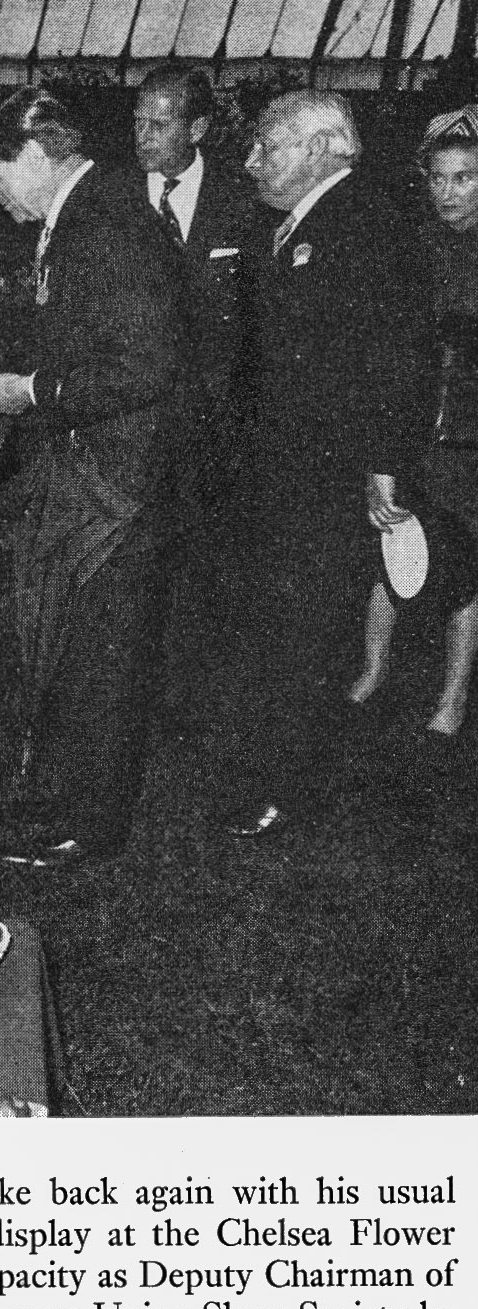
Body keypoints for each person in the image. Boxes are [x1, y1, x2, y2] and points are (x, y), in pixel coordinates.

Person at [0, 90, 187, 869]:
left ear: (35, 152)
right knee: (85, 654)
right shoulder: (91, 214)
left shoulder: (106, 222)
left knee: (104, 661)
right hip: (104, 472)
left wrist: (33, 393)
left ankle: (87, 830)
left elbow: (144, 364)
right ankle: (69, 810)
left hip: (118, 487)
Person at [218, 92, 432, 839]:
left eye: (266, 147)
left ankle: (291, 794)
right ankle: (270, 777)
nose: (251, 163)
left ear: (323, 147)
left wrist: (383, 464)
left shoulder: (367, 222)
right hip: (282, 469)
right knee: (281, 626)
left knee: (307, 631)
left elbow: (397, 351)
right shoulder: (289, 227)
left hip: (331, 471)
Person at [132, 67, 263, 728]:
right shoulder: (116, 201)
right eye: (138, 121)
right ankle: (144, 697)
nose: (143, 137)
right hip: (136, 424)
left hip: (218, 431)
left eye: (159, 124)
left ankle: (192, 700)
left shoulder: (244, 202)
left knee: (207, 569)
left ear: (199, 128)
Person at [348, 105, 478, 744]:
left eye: (465, 178)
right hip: (410, 426)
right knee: (390, 543)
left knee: (467, 563)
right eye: (439, 178)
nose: (449, 192)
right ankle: (373, 668)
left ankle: (452, 697)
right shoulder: (410, 247)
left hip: (471, 432)